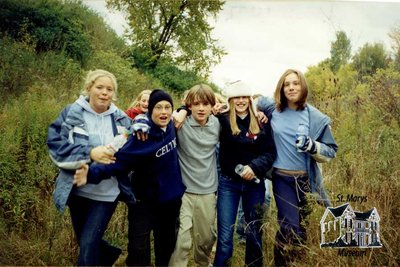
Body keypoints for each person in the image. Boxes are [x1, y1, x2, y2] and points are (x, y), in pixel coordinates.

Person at [73, 89, 186, 267]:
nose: (163, 112)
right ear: (150, 110)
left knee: (166, 245)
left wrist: (184, 109)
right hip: (143, 200)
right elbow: (119, 162)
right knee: (138, 249)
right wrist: (90, 173)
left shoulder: (172, 124)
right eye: (158, 107)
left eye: (167, 107)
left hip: (170, 202)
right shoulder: (141, 136)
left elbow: (188, 105)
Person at [47, 69, 133, 266]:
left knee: (87, 244)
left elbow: (131, 150)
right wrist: (90, 153)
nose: (104, 92)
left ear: (114, 94)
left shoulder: (122, 119)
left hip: (107, 193)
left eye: (109, 89)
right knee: (87, 244)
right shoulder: (71, 112)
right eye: (100, 87)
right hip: (78, 191)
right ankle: (110, 255)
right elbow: (56, 146)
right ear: (89, 89)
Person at [257, 69, 338, 266]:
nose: (291, 87)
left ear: (303, 87)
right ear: (281, 88)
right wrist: (258, 112)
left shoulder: (315, 117)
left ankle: (296, 262)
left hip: (306, 181)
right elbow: (254, 100)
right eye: (287, 84)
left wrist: (312, 146)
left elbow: (331, 151)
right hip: (281, 178)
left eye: (296, 83)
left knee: (301, 228)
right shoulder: (273, 109)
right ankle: (281, 263)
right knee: (290, 226)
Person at [214, 81, 276, 267]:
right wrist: (239, 170)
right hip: (228, 183)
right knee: (225, 236)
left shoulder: (261, 121)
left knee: (254, 232)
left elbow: (270, 153)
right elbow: (223, 155)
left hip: (254, 184)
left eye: (244, 97)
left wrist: (254, 167)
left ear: (249, 100)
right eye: (236, 97)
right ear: (230, 100)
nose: (240, 101)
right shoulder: (222, 119)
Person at [168, 84, 220, 267]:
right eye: (196, 104)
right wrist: (179, 111)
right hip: (184, 191)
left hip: (208, 190)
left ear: (212, 106)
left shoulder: (218, 124)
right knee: (182, 240)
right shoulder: (179, 124)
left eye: (205, 104)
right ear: (189, 105)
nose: (201, 108)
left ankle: (203, 263)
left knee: (205, 239)